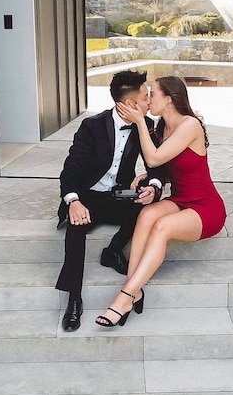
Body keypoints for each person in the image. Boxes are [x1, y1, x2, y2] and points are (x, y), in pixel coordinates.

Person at [95, 76, 226, 327]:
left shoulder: (190, 125)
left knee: (162, 227)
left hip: (206, 207)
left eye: (152, 94)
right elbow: (162, 166)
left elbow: (154, 159)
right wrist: (150, 177)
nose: (147, 99)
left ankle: (124, 298)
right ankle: (135, 289)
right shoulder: (160, 129)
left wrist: (139, 125)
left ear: (168, 100)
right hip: (180, 198)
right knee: (146, 215)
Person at [56, 70, 164, 332]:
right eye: (145, 96)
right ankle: (74, 298)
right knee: (75, 226)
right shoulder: (92, 126)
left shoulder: (146, 126)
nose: (150, 101)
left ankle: (113, 251)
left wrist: (153, 185)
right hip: (88, 197)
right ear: (129, 104)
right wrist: (73, 200)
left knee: (147, 208)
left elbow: (159, 165)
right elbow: (71, 168)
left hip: (118, 195)